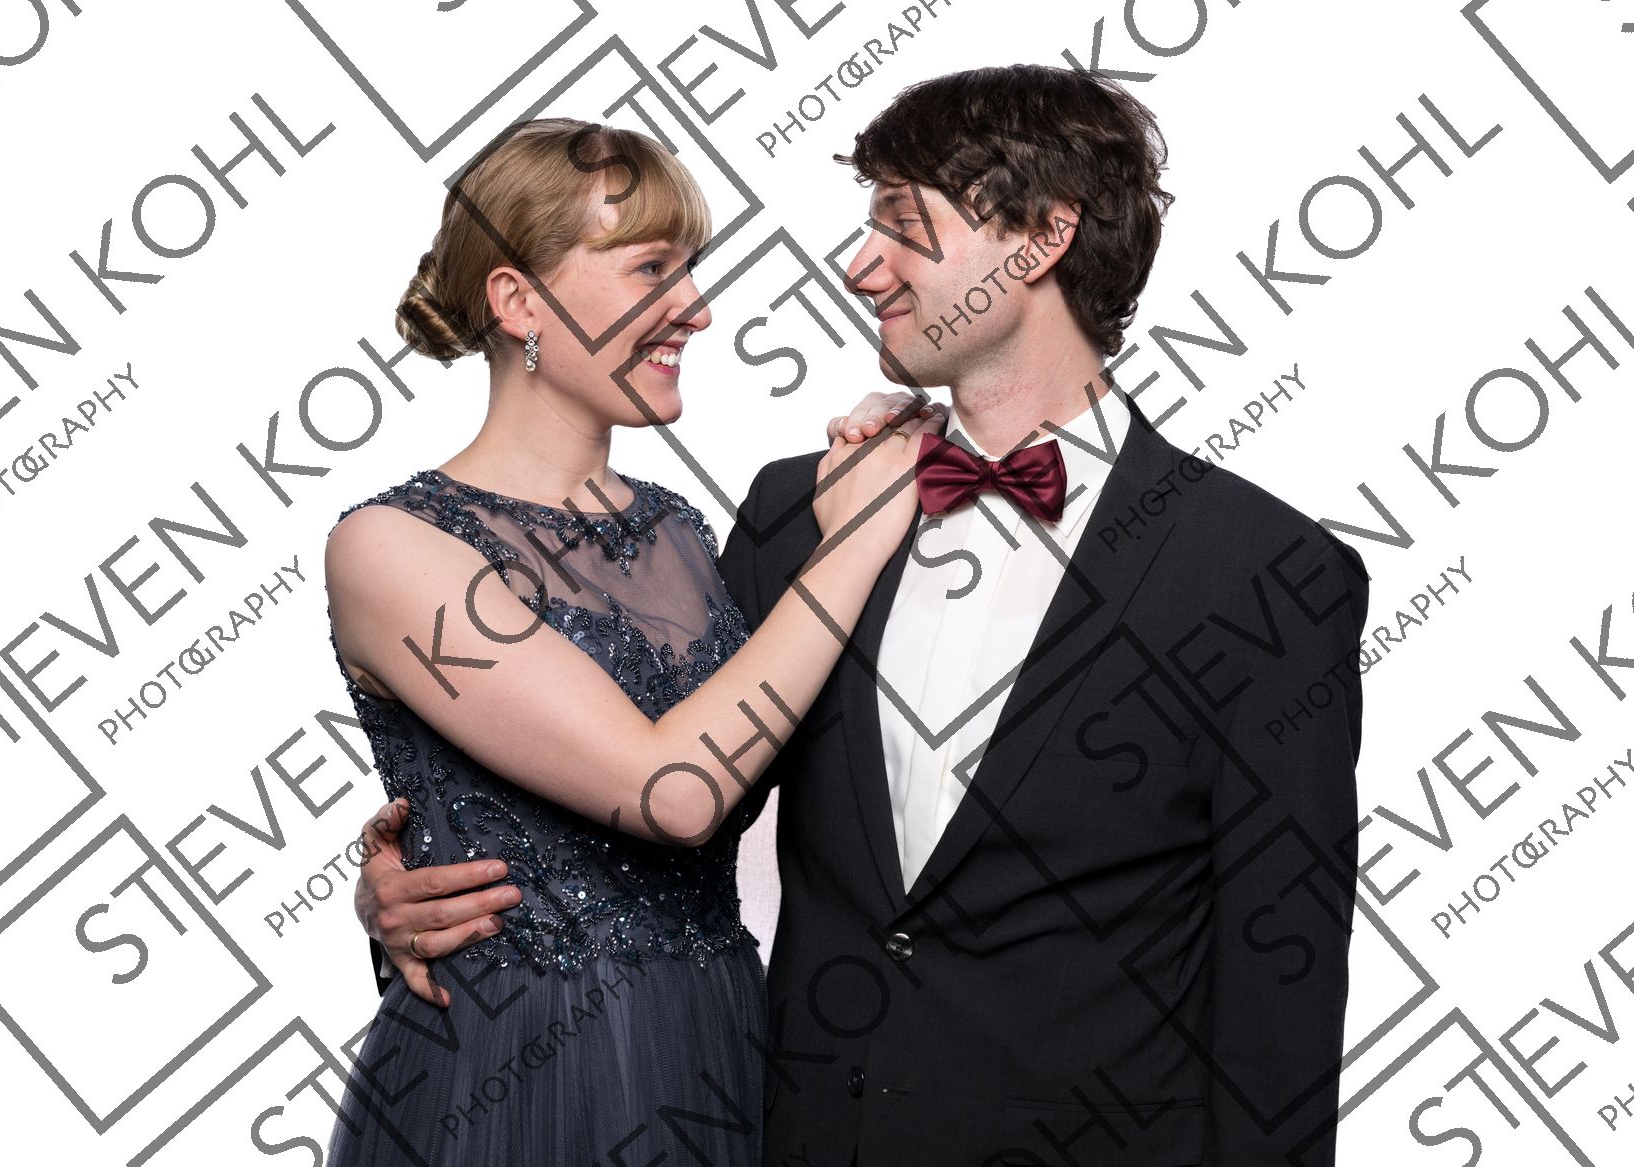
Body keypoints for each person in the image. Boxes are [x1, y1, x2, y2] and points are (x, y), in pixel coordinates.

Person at [356, 66, 1372, 1167]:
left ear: (1040, 238)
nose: (857, 266)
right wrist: (412, 886)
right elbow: (665, 789)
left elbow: (1281, 993)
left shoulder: (1267, 573)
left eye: (901, 223)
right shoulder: (794, 515)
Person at [321, 117, 944, 1166]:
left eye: (691, 268)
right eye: (652, 268)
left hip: (718, 1046)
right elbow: (673, 792)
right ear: (518, 300)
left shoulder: (681, 532)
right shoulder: (389, 545)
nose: (695, 307)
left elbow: (754, 765)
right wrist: (858, 535)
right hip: (513, 1071)